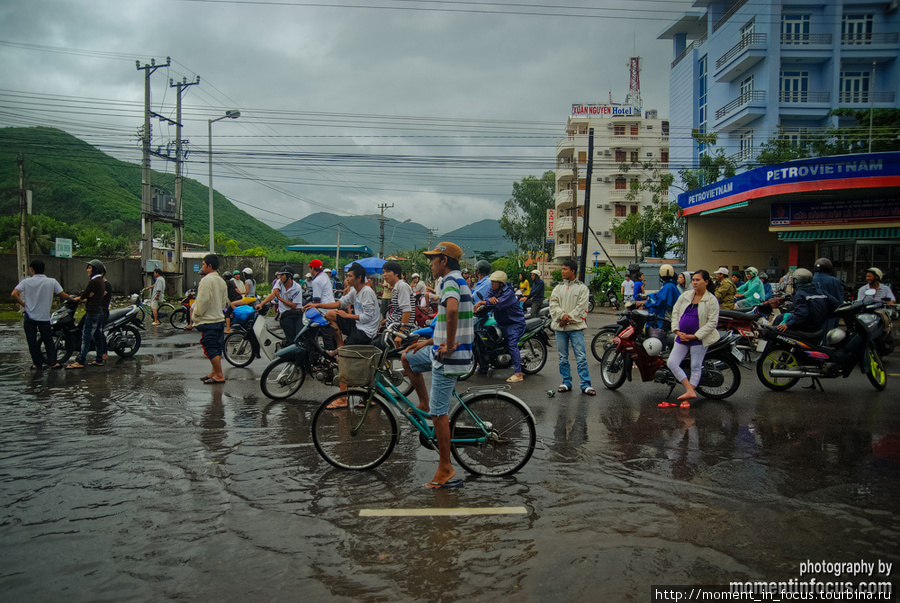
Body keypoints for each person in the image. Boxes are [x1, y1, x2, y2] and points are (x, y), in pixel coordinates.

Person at [401, 241, 473, 488]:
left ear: (443, 261)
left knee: (439, 414)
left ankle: (446, 468)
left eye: (433, 259)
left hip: (448, 357)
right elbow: (448, 320)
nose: (430, 263)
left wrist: (450, 346)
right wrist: (428, 341)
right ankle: (422, 401)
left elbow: (452, 312)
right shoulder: (453, 281)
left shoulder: (451, 281)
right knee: (407, 357)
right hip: (438, 349)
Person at [659, 270, 720, 409]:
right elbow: (675, 312)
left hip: (699, 338)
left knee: (695, 366)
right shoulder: (686, 295)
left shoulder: (711, 300)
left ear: (706, 282)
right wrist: (677, 330)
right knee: (672, 363)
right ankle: (690, 390)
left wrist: (695, 336)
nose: (695, 282)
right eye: (693, 280)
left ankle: (688, 395)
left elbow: (712, 323)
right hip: (682, 336)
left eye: (698, 280)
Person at [11, 259, 75, 370]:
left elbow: (14, 293)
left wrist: (24, 304)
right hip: (44, 317)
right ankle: (53, 362)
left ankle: (37, 364)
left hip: (29, 316)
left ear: (32, 269)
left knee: (32, 341)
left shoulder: (26, 282)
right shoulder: (52, 281)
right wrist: (73, 299)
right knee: (48, 339)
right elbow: (63, 294)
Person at [308, 262, 380, 354]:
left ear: (359, 278)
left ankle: (341, 352)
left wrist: (347, 315)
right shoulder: (355, 291)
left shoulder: (367, 292)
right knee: (330, 314)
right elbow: (339, 303)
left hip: (366, 331)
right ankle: (340, 345)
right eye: (347, 276)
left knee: (342, 358)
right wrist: (316, 305)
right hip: (357, 324)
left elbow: (368, 317)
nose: (347, 279)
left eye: (350, 276)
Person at [550, 259, 594, 395]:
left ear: (573, 271)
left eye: (565, 269)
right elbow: (553, 305)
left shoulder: (582, 288)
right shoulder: (558, 288)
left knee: (580, 357)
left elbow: (582, 308)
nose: (562, 272)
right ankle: (566, 382)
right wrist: (561, 316)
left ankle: (585, 384)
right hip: (560, 329)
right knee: (563, 357)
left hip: (575, 329)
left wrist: (567, 319)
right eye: (562, 269)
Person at [474, 271, 526, 383]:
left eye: (494, 282)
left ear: (501, 283)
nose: (492, 284)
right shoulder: (493, 290)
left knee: (512, 344)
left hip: (514, 323)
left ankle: (518, 373)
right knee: (487, 339)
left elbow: (498, 304)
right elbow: (488, 299)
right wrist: (485, 303)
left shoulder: (509, 293)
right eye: (491, 282)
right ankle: (483, 367)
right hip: (501, 323)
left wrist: (483, 303)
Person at [192, 254, 229, 384]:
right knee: (216, 347)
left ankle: (219, 374)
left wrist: (196, 314)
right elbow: (224, 301)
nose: (202, 267)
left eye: (203, 264)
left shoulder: (207, 280)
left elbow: (203, 300)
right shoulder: (221, 280)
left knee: (210, 347)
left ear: (209, 266)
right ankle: (214, 372)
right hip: (219, 318)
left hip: (208, 320)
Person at [66, 259, 107, 369]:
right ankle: (99, 359)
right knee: (98, 336)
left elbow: (84, 295)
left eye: (89, 268)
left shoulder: (93, 282)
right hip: (99, 312)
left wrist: (80, 298)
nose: (87, 270)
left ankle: (80, 360)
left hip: (92, 312)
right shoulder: (101, 281)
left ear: (95, 270)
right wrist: (89, 296)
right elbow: (89, 295)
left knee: (86, 336)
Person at [777, 268, 840, 336]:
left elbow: (801, 315)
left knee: (779, 319)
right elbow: (835, 304)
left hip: (805, 326)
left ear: (797, 281)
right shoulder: (821, 292)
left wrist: (787, 325)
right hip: (819, 325)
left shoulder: (800, 294)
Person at [258, 266, 305, 344]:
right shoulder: (279, 283)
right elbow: (273, 294)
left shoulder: (297, 288)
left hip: (297, 313)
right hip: (286, 315)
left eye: (282, 275)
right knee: (290, 338)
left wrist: (280, 298)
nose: (280, 277)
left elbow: (293, 305)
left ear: (289, 277)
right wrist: (261, 304)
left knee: (299, 337)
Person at [637, 264, 681, 329]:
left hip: (665, 318)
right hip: (669, 317)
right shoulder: (672, 286)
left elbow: (659, 301)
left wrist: (644, 303)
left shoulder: (668, 287)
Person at [382, 261, 414, 347]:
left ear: (396, 273)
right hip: (393, 327)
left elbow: (407, 310)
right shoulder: (396, 287)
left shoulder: (402, 286)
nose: (384, 274)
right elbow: (398, 312)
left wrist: (401, 333)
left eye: (388, 271)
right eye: (383, 272)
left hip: (397, 330)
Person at [92, 265, 112, 365]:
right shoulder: (97, 284)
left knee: (99, 331)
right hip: (95, 311)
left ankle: (104, 352)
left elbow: (98, 295)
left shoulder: (106, 285)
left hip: (103, 311)